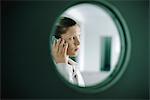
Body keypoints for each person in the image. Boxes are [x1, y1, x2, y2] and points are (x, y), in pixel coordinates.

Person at [51, 17, 85, 87]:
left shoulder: (74, 66)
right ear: (55, 41)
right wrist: (62, 64)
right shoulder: (48, 69)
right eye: (72, 38)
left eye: (79, 36)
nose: (78, 42)